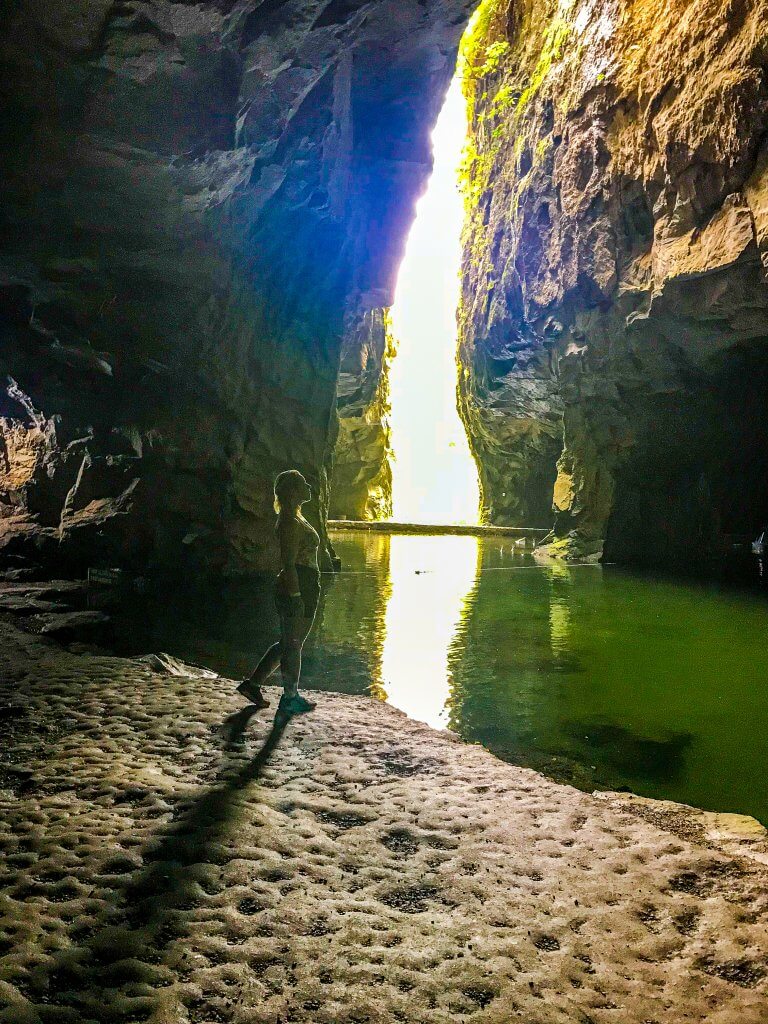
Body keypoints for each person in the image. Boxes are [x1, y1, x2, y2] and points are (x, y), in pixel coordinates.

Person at [237, 470, 320, 715]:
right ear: (293, 491)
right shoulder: (288, 521)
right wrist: (295, 595)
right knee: (293, 643)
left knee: (290, 642)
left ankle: (253, 685)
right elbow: (289, 563)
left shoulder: (296, 517)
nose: (309, 487)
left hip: (306, 582)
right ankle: (290, 697)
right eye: (304, 484)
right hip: (297, 584)